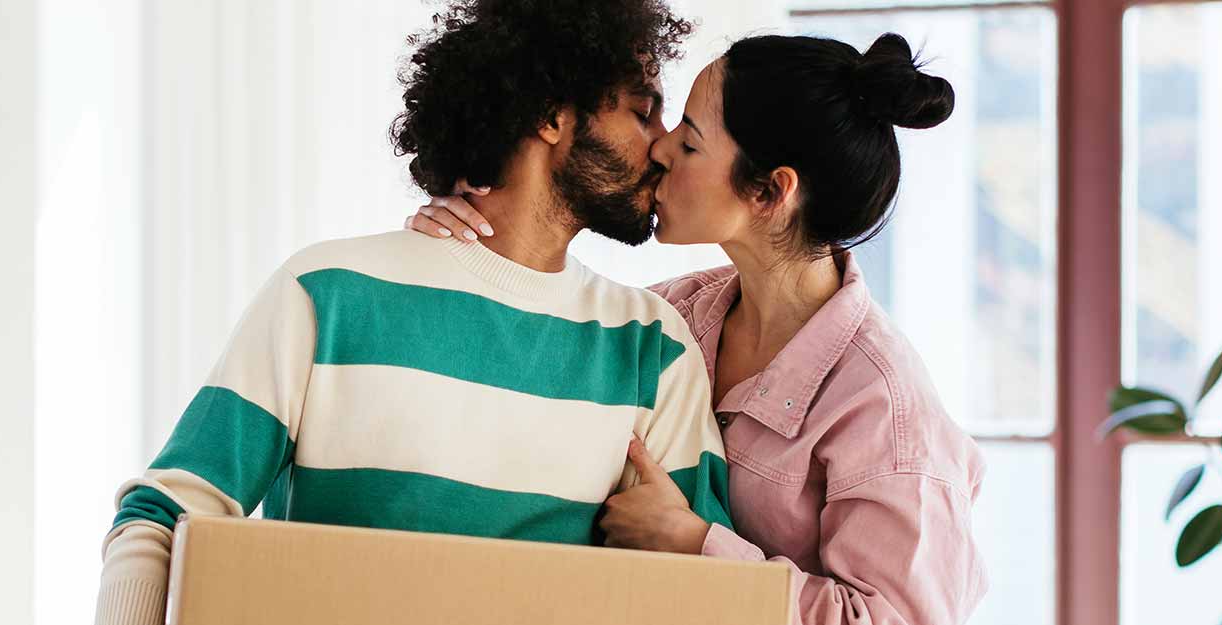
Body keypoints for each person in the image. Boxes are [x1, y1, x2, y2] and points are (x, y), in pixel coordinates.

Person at [92, 2, 734, 624]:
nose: (660, 147)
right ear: (549, 115)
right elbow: (165, 515)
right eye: (643, 112)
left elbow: (713, 591)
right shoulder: (330, 292)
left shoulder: (655, 344)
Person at [408, 32, 989, 625]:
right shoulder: (677, 314)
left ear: (769, 191)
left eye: (689, 141)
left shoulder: (886, 409)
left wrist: (697, 543)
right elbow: (542, 354)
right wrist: (470, 238)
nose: (660, 150)